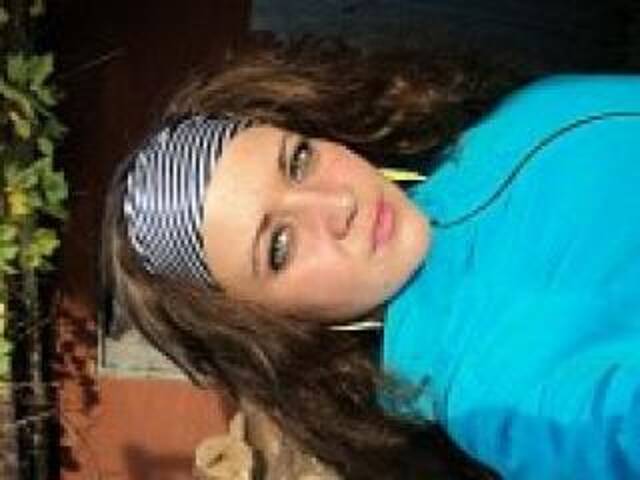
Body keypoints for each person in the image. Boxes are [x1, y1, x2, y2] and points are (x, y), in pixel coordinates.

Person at [100, 41, 640, 479]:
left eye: (299, 161)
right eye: (279, 247)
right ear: (271, 326)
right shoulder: (506, 392)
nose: (339, 205)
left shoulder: (472, 137)